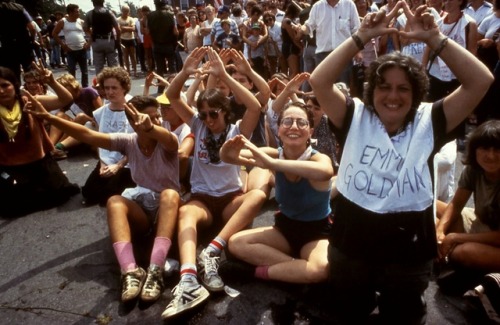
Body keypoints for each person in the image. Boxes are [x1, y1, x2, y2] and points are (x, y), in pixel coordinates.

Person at [309, 2, 493, 323]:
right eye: (384, 87)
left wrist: (436, 39)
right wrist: (361, 36)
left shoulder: (431, 119)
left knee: (404, 317)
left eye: (403, 88)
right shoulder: (353, 114)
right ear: (372, 90)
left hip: (409, 254)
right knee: (348, 313)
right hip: (351, 245)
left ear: (416, 92)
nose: (393, 96)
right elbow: (319, 81)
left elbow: (480, 80)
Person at [25, 92, 181, 304]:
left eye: (156, 117)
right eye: (148, 117)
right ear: (132, 123)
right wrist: (50, 117)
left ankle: (155, 270)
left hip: (169, 209)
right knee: (114, 201)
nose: (155, 121)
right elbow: (87, 135)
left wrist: (151, 128)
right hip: (144, 211)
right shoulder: (128, 142)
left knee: (169, 194)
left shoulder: (167, 142)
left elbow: (169, 139)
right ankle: (130, 271)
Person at [161, 47, 266, 319]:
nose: (209, 119)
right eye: (204, 113)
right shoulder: (197, 126)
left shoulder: (237, 130)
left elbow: (255, 105)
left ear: (224, 111)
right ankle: (188, 279)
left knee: (256, 196)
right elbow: (172, 96)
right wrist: (184, 72)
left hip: (231, 199)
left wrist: (226, 76)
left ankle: (212, 251)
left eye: (214, 113)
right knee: (186, 212)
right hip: (203, 199)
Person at [219, 103, 334, 285]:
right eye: (287, 121)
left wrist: (273, 165)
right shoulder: (272, 154)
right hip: (284, 229)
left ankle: (256, 273)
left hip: (316, 233)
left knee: (319, 270)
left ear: (310, 132)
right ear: (279, 130)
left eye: (301, 122)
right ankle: (294, 270)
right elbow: (229, 156)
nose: (294, 126)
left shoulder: (318, 158)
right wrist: (226, 151)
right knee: (235, 243)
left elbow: (326, 171)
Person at [0, 67, 78, 218]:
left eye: (5, 85)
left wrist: (52, 82)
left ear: (14, 86)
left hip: (40, 165)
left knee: (59, 194)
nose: (1, 91)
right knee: (12, 208)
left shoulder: (31, 101)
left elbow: (66, 99)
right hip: (10, 169)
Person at [436, 120, 500, 273]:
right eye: (484, 148)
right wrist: (440, 232)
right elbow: (456, 204)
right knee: (428, 209)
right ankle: (445, 252)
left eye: (497, 149)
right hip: (481, 223)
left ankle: (452, 255)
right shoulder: (474, 169)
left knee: (464, 252)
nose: (490, 155)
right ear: (475, 150)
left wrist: (454, 237)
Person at [80, 67, 136, 206]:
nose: (110, 92)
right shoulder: (100, 113)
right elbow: (100, 141)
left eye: (114, 88)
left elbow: (138, 144)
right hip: (107, 161)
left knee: (109, 196)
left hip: (128, 162)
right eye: (107, 88)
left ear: (124, 88)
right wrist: (103, 163)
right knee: (89, 193)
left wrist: (118, 166)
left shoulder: (134, 110)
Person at [53, 4, 90, 88]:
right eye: (77, 11)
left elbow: (91, 33)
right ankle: (74, 89)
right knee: (71, 72)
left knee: (84, 72)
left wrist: (88, 44)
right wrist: (63, 45)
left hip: (82, 49)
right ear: (70, 12)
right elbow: (54, 33)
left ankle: (85, 88)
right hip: (70, 51)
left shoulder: (81, 21)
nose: (79, 13)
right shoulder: (63, 21)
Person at [147, 0, 179, 93]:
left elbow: (148, 32)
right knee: (172, 67)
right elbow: (175, 32)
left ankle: (160, 89)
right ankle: (174, 88)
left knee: (159, 68)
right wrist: (175, 42)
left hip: (157, 45)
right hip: (169, 44)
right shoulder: (170, 15)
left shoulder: (150, 16)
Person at [0, 0, 36, 82]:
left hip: (7, 45)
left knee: (12, 73)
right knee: (30, 70)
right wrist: (32, 39)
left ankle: (17, 92)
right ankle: (34, 90)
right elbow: (32, 28)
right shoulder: (20, 8)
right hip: (24, 43)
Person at [83, 0, 121, 76]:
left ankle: (100, 85)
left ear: (93, 2)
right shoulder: (110, 13)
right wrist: (118, 41)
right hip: (109, 40)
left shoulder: (90, 14)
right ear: (103, 2)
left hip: (97, 41)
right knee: (114, 66)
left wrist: (92, 34)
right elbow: (118, 29)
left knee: (99, 67)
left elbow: (85, 28)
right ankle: (115, 82)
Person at [118, 5, 138, 78]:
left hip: (131, 39)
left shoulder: (131, 19)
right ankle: (128, 72)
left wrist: (123, 28)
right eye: (125, 11)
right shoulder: (118, 20)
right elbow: (119, 30)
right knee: (125, 56)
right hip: (123, 39)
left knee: (133, 56)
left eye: (127, 11)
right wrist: (127, 28)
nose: (126, 13)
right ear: (122, 11)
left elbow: (133, 29)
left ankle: (135, 71)